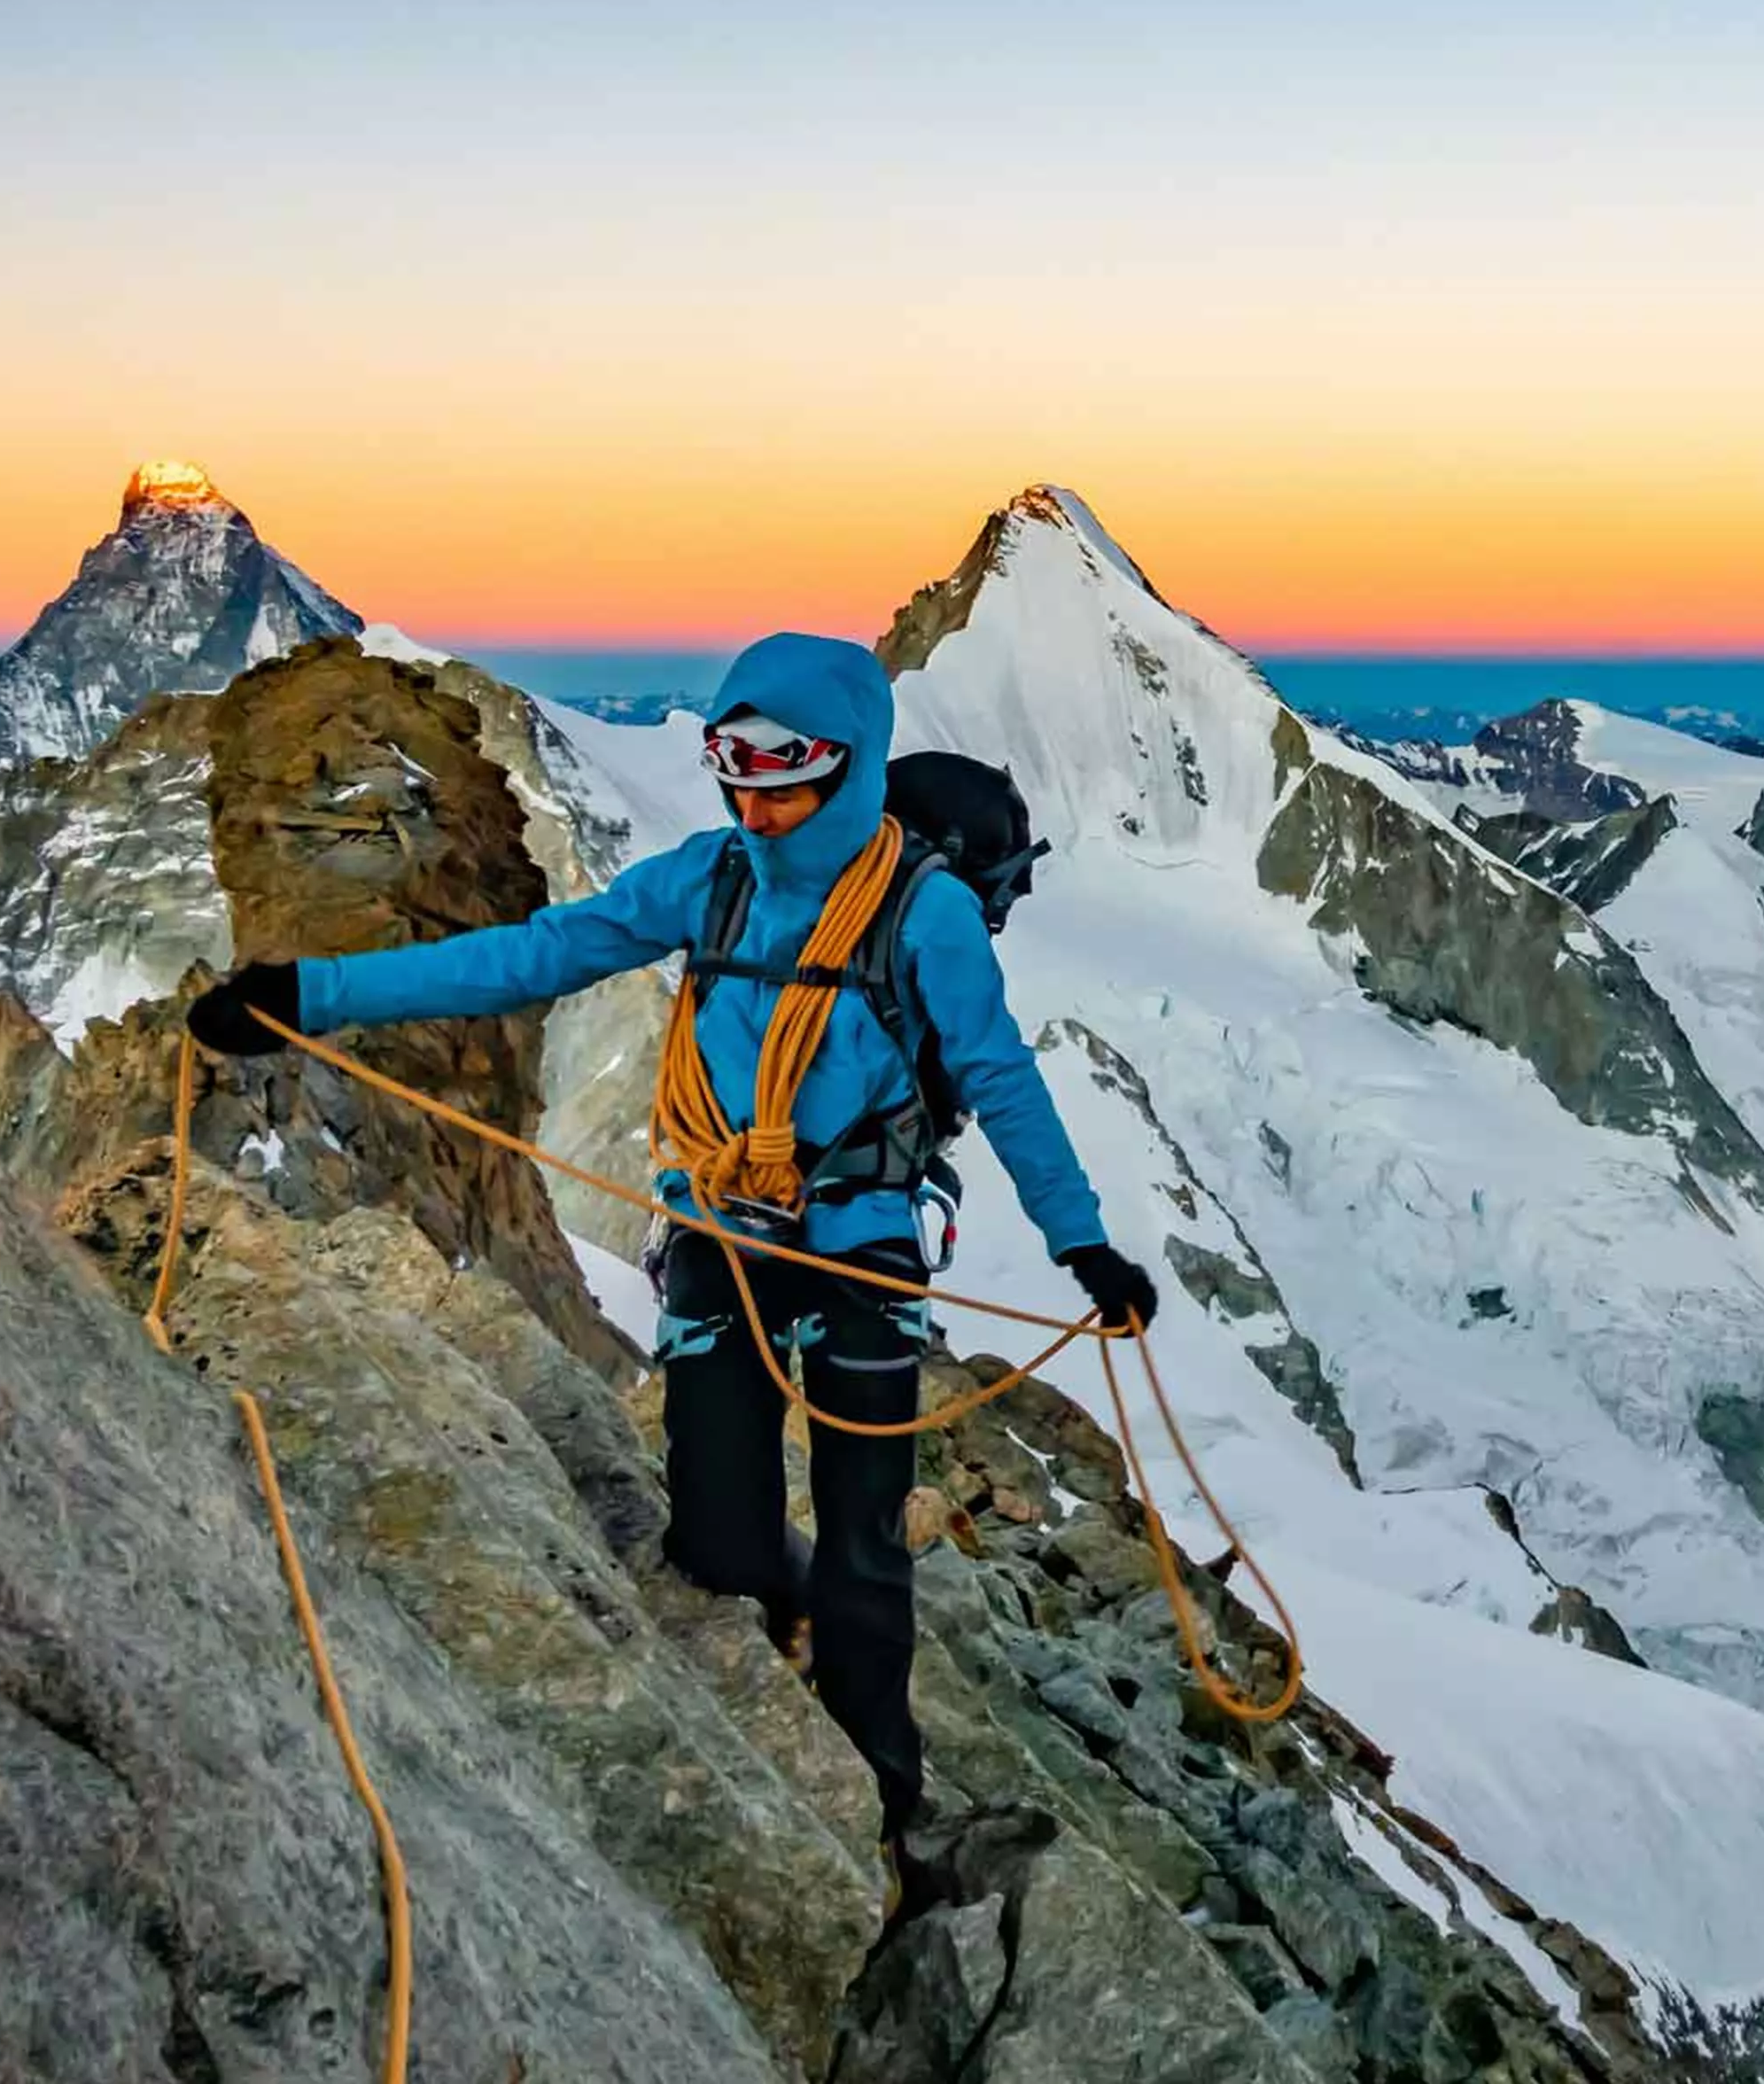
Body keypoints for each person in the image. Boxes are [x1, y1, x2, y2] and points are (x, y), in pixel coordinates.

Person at [190, 631, 1156, 1862]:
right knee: (718, 1537)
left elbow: (1000, 1079)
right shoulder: (711, 880)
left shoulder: (928, 914)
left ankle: (880, 1793)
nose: (755, 801)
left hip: (859, 1234)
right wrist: (307, 997)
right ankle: (781, 1627)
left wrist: (1083, 1246)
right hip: (716, 1219)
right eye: (734, 771)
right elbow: (531, 958)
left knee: (867, 1531)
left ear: (852, 771)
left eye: (784, 776)